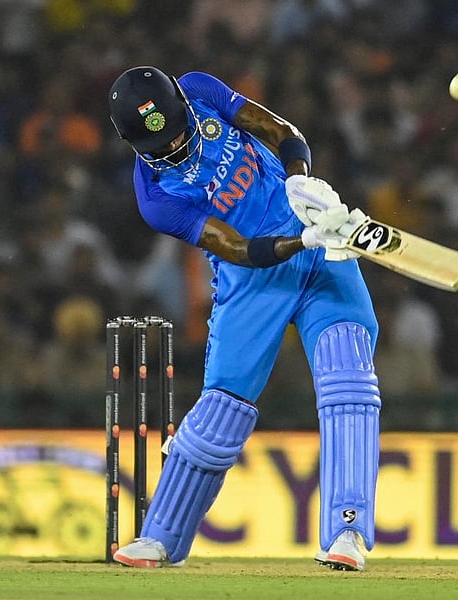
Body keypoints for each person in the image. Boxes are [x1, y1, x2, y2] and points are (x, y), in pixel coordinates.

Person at [107, 66, 380, 571]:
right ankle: (162, 538)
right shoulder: (156, 198)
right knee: (222, 412)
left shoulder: (199, 89)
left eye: (177, 131)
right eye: (160, 145)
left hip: (321, 249)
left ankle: (347, 531)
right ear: (133, 144)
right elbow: (234, 248)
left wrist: (301, 183)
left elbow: (283, 133)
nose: (175, 147)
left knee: (349, 382)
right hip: (254, 278)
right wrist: (303, 240)